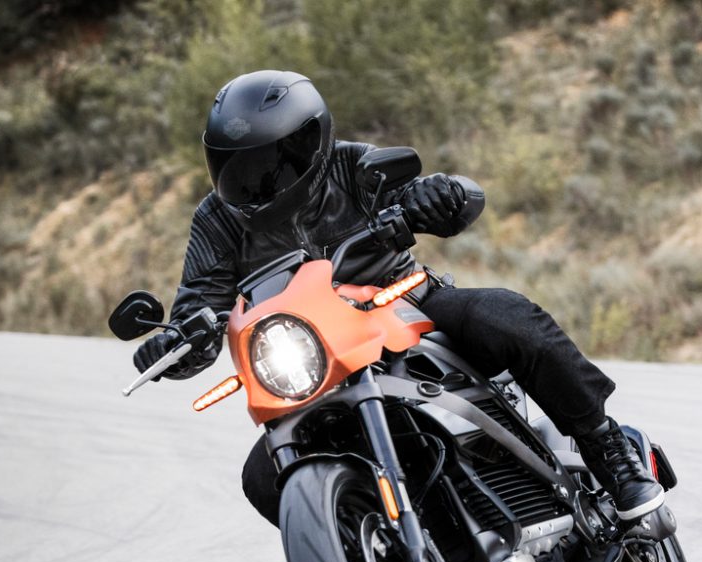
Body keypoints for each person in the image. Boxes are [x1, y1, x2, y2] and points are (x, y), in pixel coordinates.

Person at [133, 70, 664, 528]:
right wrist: (177, 342)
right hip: (312, 355)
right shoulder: (217, 219)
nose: (253, 182)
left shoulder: (353, 166)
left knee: (503, 314)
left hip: (401, 305)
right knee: (262, 477)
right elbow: (200, 303)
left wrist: (440, 196)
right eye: (236, 168)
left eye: (271, 163)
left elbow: (448, 200)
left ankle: (606, 447)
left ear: (309, 143)